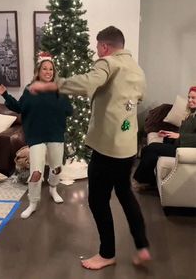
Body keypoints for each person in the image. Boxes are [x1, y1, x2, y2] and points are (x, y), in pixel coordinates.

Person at [28, 26, 151, 269]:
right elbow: (139, 98)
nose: (97, 50)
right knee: (125, 194)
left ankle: (107, 253)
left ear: (105, 46)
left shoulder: (107, 63)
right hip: (127, 147)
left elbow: (87, 83)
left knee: (97, 200)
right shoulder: (136, 69)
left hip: (107, 148)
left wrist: (52, 85)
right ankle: (142, 246)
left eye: (97, 46)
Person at [0, 53, 73, 219]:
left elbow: (69, 111)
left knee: (56, 167)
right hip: (36, 135)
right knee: (36, 172)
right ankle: (33, 202)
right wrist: (5, 95)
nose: (48, 72)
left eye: (50, 69)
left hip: (55, 134)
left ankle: (53, 188)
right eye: (44, 68)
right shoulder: (30, 89)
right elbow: (19, 107)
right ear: (39, 71)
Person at [133, 85, 196, 188]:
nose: (189, 100)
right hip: (179, 145)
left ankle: (142, 180)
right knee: (148, 150)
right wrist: (167, 135)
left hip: (185, 150)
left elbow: (186, 136)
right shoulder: (191, 113)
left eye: (193, 98)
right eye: (189, 97)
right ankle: (149, 181)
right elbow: (184, 132)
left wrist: (179, 136)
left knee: (151, 149)